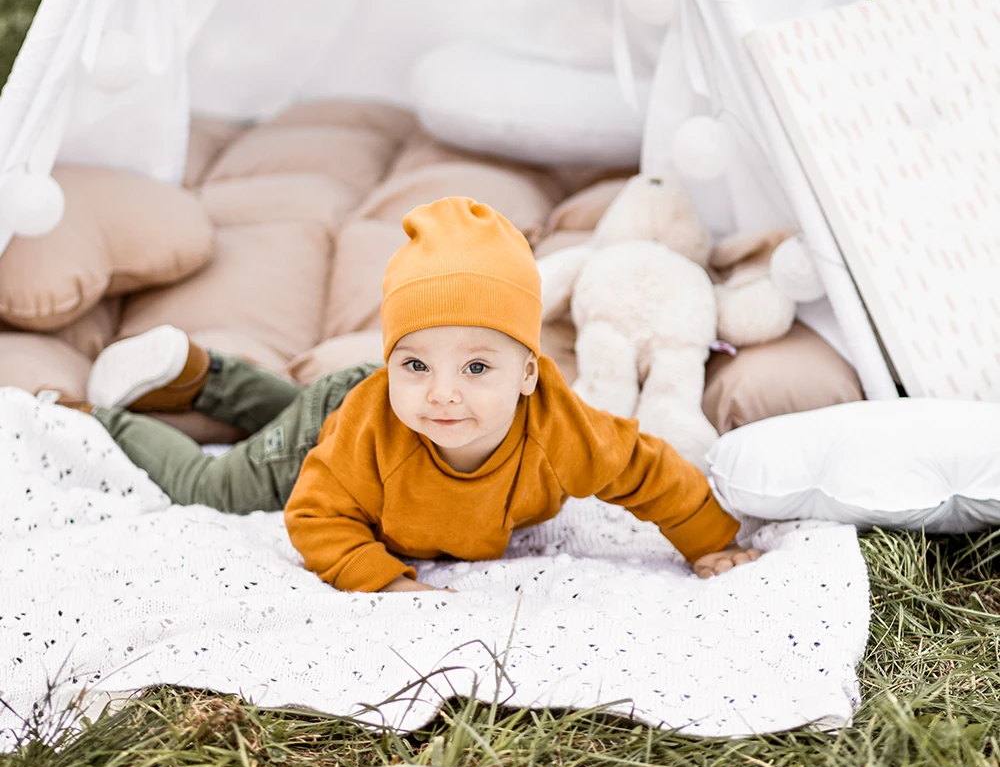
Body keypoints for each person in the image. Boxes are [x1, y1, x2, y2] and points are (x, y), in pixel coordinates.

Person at [62, 197, 762, 593]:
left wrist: (708, 542)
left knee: (299, 410)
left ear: (529, 373)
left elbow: (646, 468)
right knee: (217, 484)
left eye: (478, 369)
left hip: (344, 403)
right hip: (332, 426)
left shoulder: (559, 428)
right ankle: (108, 419)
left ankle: (205, 375)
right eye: (416, 364)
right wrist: (385, 581)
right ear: (391, 359)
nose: (442, 395)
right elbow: (313, 516)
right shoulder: (374, 431)